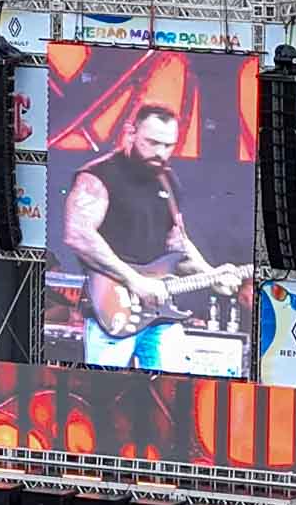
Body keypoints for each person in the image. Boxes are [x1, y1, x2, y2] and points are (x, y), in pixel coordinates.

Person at [59, 102, 243, 370]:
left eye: (168, 146)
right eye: (153, 142)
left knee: (172, 397)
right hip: (113, 309)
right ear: (130, 133)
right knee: (102, 397)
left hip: (161, 313)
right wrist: (134, 280)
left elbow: (177, 244)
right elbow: (78, 235)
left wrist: (211, 275)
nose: (160, 153)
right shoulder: (99, 175)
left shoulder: (167, 181)